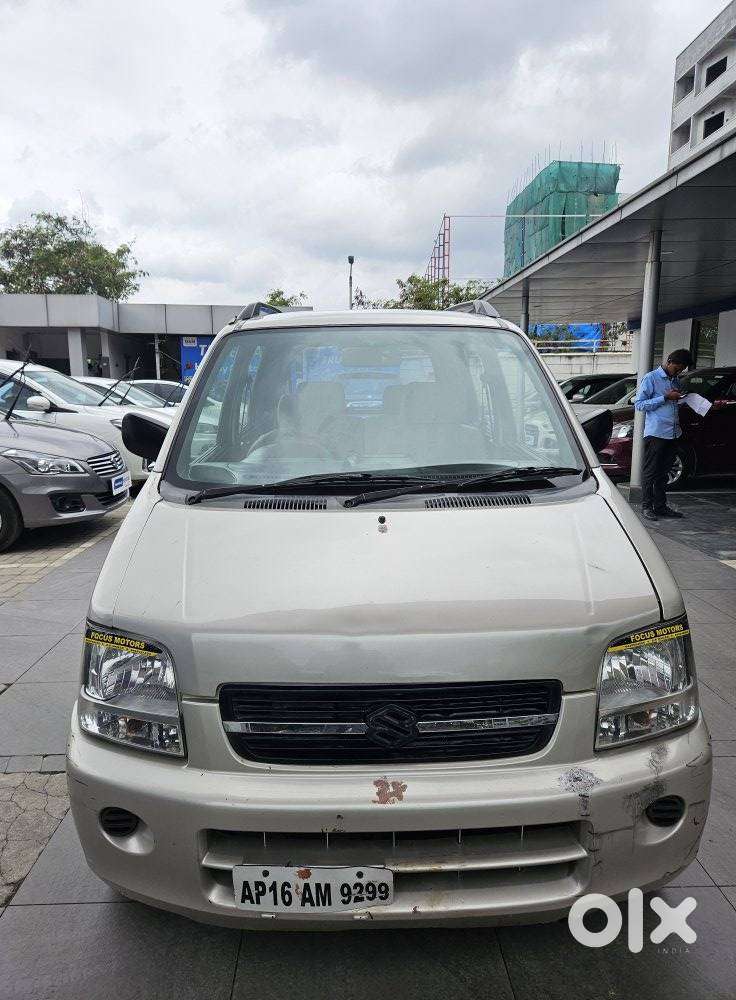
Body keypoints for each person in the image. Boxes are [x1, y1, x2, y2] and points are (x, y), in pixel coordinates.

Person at [633, 348, 693, 522]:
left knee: (664, 472)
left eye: (681, 370)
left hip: (673, 433)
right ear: (670, 361)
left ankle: (660, 506)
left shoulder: (676, 380)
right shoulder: (651, 378)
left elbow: (675, 401)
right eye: (677, 369)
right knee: (650, 471)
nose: (678, 372)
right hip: (656, 433)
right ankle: (646, 506)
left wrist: (682, 398)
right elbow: (640, 405)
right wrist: (665, 398)